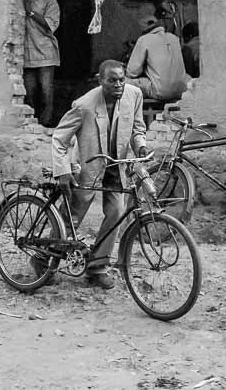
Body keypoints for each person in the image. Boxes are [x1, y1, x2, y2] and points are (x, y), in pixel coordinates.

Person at [51, 59, 148, 289]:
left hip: (116, 165)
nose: (118, 85)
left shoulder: (134, 95)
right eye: (112, 80)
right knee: (72, 216)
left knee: (116, 212)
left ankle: (97, 267)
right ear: (100, 80)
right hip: (89, 166)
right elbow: (59, 138)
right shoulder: (84, 105)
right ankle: (44, 258)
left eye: (121, 80)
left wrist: (141, 145)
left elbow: (137, 128)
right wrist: (63, 171)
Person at [23, 0, 61, 127]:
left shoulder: (50, 0)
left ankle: (45, 123)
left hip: (45, 51)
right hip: (26, 52)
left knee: (46, 91)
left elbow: (49, 24)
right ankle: (30, 123)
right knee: (29, 91)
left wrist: (31, 12)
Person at [125, 15, 188, 102]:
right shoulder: (174, 38)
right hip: (182, 90)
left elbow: (132, 72)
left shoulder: (144, 39)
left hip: (160, 92)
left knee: (125, 81)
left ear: (145, 27)